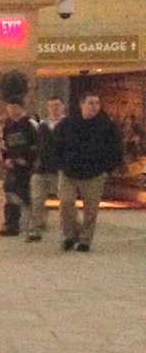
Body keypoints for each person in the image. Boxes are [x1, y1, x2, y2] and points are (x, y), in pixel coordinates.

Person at [56, 92, 124, 252]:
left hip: (94, 174)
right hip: (69, 172)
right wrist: (59, 164)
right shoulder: (68, 123)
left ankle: (85, 240)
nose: (94, 107)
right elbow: (56, 144)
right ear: (82, 105)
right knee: (66, 203)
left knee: (91, 209)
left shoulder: (106, 126)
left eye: (97, 103)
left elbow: (116, 149)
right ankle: (70, 234)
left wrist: (107, 170)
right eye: (90, 103)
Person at [0, 96, 38, 236]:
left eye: (14, 107)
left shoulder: (30, 125)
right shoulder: (7, 126)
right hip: (12, 167)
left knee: (26, 196)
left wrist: (27, 160)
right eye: (10, 107)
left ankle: (32, 225)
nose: (12, 110)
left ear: (21, 108)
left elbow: (37, 146)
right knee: (10, 193)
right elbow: (3, 146)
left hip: (27, 168)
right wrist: (6, 159)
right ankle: (11, 224)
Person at [27, 96, 65, 241]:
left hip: (60, 170)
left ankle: (70, 229)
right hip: (41, 169)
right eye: (51, 106)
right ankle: (35, 230)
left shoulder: (67, 125)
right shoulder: (42, 126)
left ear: (63, 107)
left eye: (57, 105)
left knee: (66, 201)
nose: (54, 108)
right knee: (37, 200)